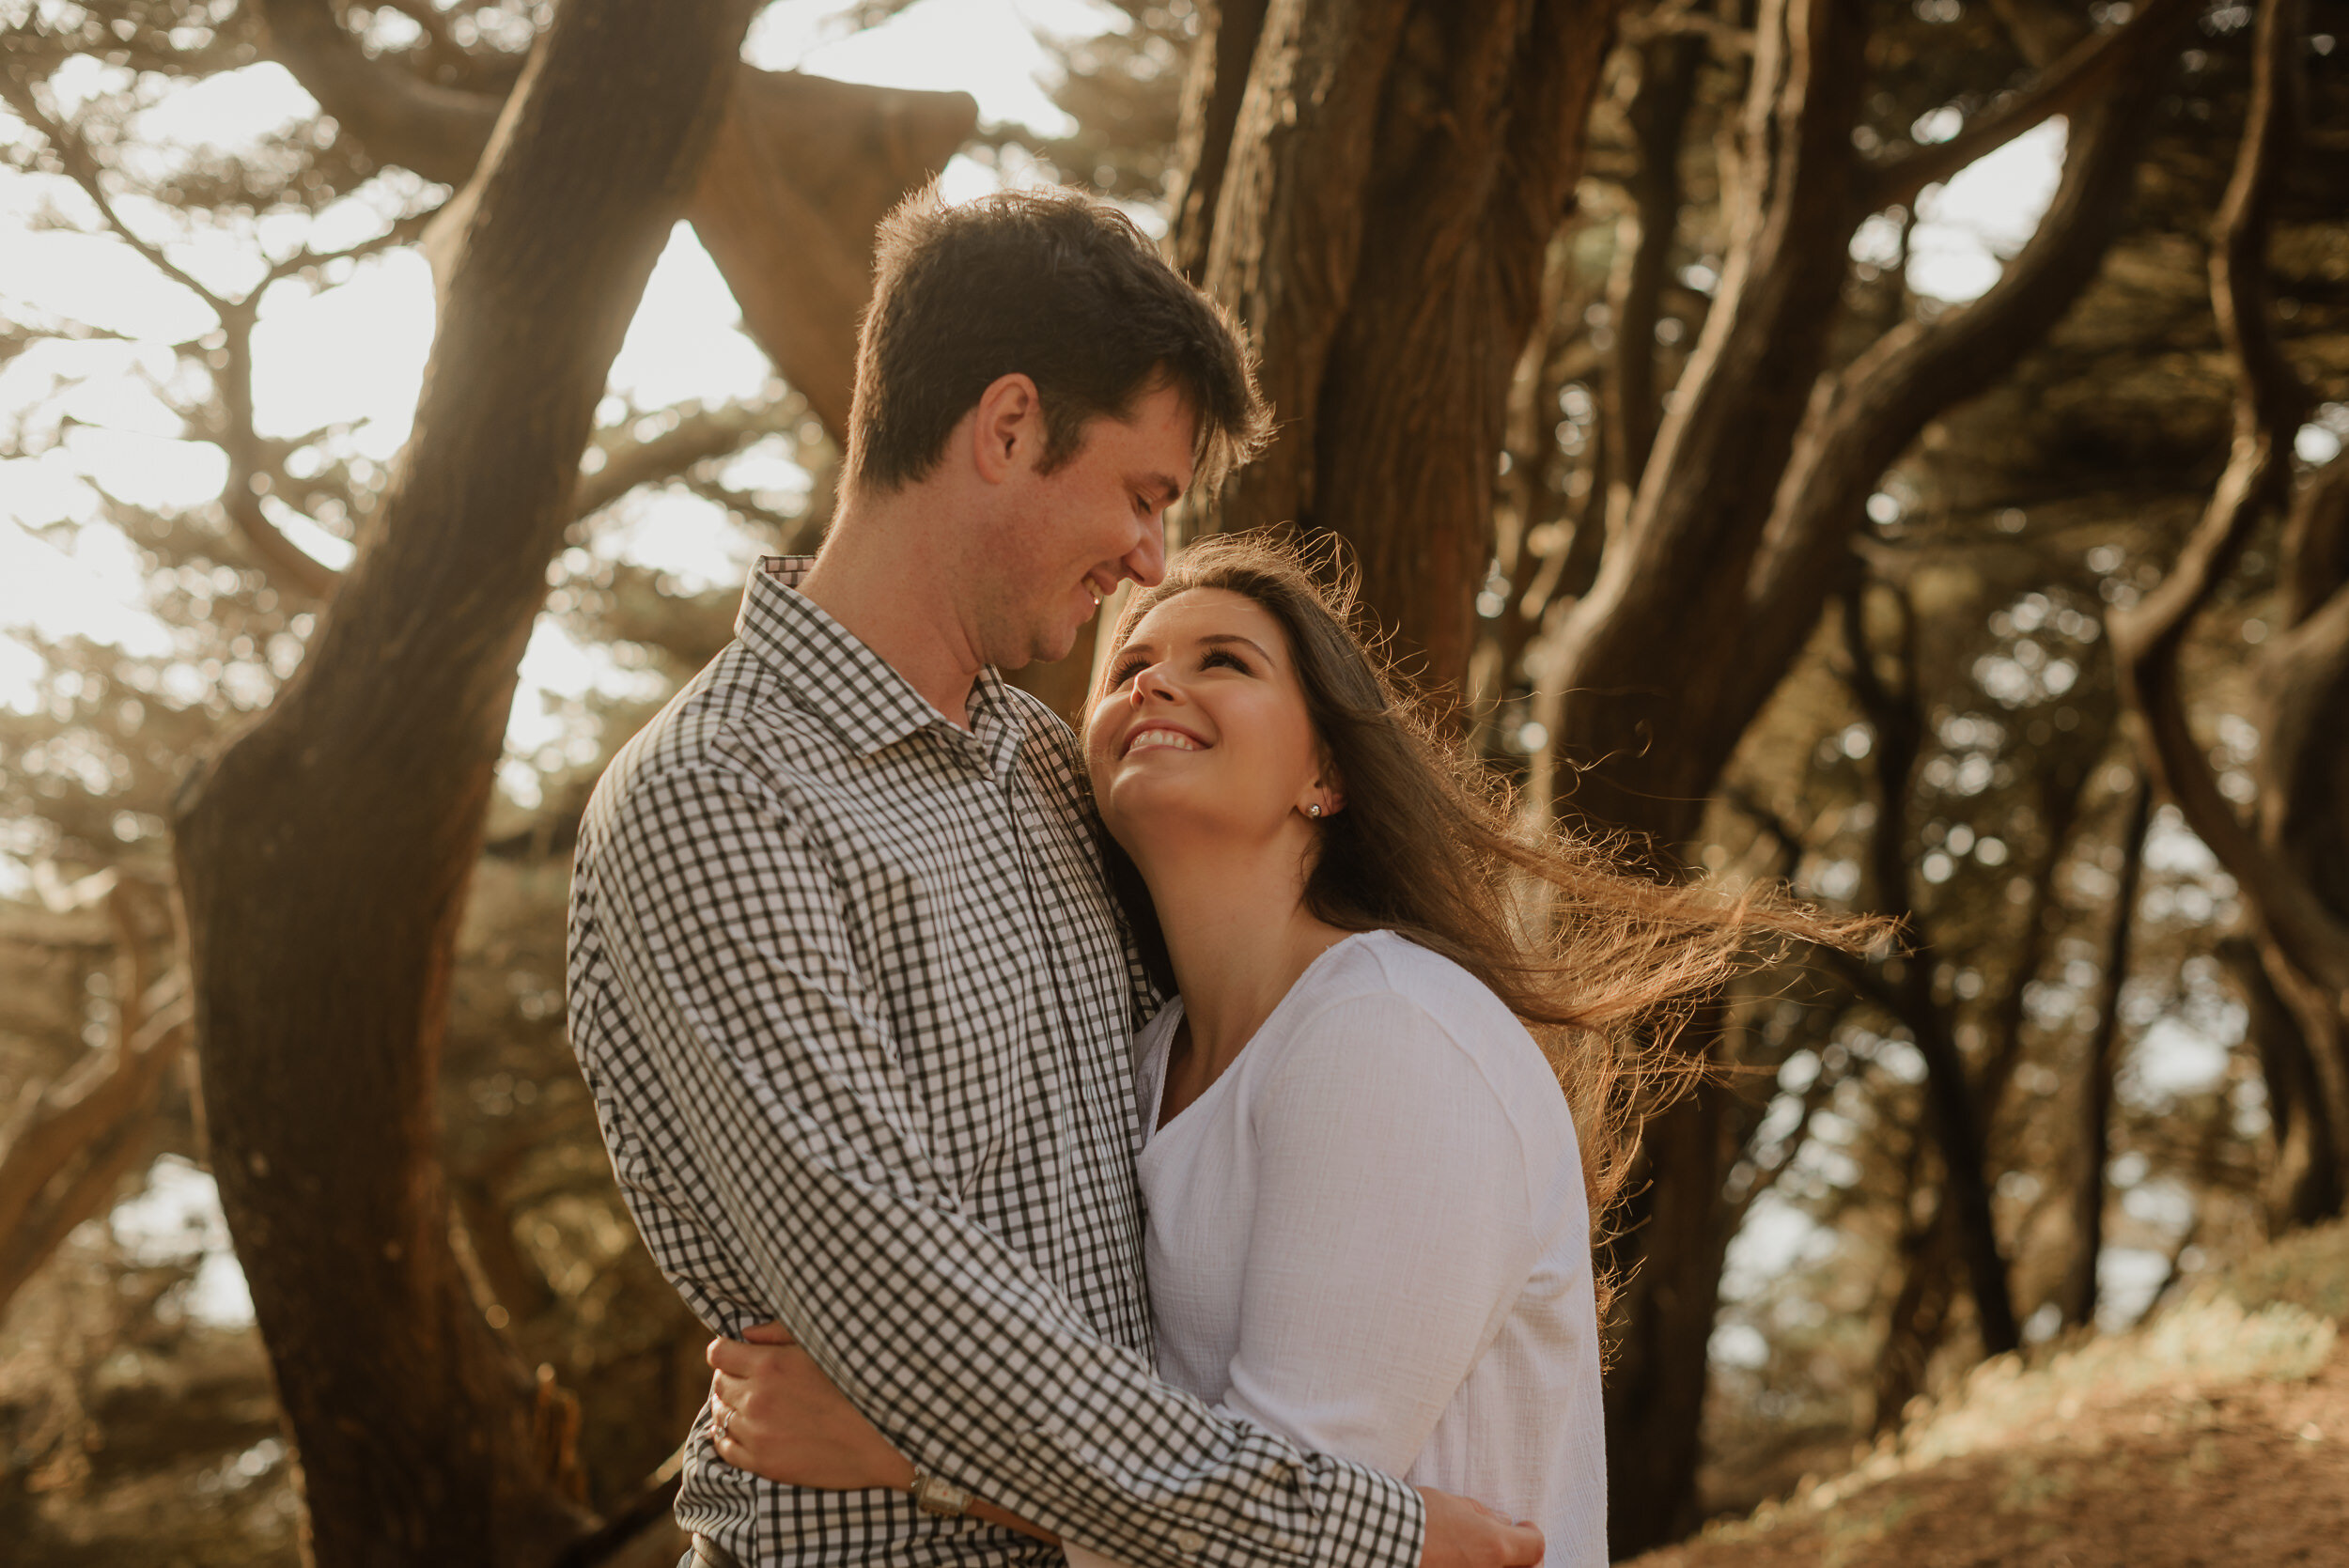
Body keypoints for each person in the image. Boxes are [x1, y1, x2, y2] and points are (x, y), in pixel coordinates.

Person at [566, 186, 1548, 1568]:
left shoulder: (1043, 766)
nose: (1152, 558)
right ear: (1009, 426)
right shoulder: (718, 798)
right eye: (1142, 495)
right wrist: (1359, 1537)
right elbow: (911, 1307)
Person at [704, 537, 1861, 1566]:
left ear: (1327, 775)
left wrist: (917, 1455)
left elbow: (1286, 1536)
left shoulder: (1387, 1032)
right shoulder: (1146, 1059)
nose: (1156, 676)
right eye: (1127, 666)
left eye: (1226, 660)